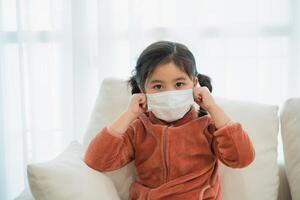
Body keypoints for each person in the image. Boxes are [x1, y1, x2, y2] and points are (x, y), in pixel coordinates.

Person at [84, 41, 255, 200]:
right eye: (158, 86)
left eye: (179, 84)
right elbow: (96, 160)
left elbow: (242, 158)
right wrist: (129, 114)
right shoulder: (138, 129)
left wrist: (212, 107)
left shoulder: (208, 127)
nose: (170, 93)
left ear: (195, 83)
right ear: (143, 89)